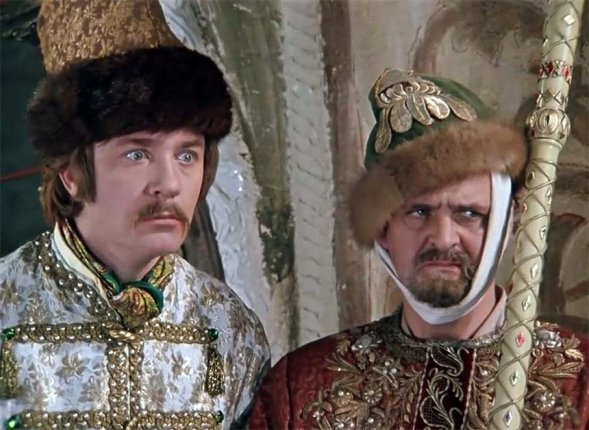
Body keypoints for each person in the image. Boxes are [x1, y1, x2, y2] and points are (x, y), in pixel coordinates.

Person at [249, 69, 589, 429]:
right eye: (419, 212)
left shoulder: (582, 384)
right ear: (383, 230)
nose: (442, 238)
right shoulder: (301, 388)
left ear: (506, 224)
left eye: (468, 213)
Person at [0, 1, 269, 428]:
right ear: (71, 174)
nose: (169, 183)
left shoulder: (230, 327)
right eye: (137, 154)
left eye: (186, 154)